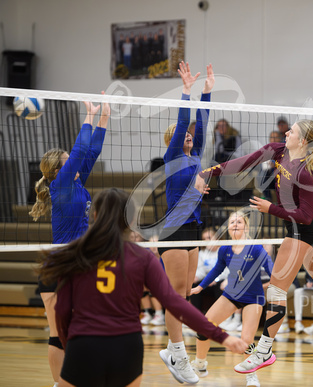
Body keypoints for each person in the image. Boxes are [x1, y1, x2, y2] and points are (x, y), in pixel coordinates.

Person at [199, 119, 313, 375]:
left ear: (303, 140)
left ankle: (263, 351)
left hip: (302, 229)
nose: (286, 132)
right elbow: (244, 162)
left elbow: (306, 215)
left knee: (276, 290)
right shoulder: (278, 150)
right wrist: (209, 171)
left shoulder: (305, 172)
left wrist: (270, 209)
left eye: (292, 131)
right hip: (301, 228)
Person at [37, 188, 247, 387]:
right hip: (126, 346)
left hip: (84, 343)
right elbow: (176, 303)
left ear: (94, 215)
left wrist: (72, 344)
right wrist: (221, 336)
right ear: (130, 219)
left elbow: (62, 312)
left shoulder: (74, 254)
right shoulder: (142, 258)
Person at [29, 97, 110, 387]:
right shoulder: (61, 186)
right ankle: (58, 383)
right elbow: (78, 152)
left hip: (78, 262)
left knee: (81, 327)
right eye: (68, 164)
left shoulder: (75, 182)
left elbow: (91, 151)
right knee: (57, 332)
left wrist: (103, 120)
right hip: (59, 265)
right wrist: (88, 116)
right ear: (58, 171)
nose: (77, 164)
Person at [157, 61, 214, 384]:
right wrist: (187, 91)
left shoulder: (194, 159)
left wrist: (206, 93)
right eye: (184, 136)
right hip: (174, 229)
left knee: (186, 294)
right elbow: (183, 124)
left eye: (191, 136)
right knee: (176, 296)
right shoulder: (173, 159)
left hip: (192, 227)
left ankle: (170, 349)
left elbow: (200, 124)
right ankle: (179, 356)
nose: (189, 137)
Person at [190, 210, 273, 387]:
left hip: (253, 298)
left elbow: (271, 268)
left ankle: (251, 375)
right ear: (228, 227)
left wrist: (276, 282)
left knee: (246, 339)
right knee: (204, 326)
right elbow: (216, 270)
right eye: (232, 222)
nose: (235, 224)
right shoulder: (225, 249)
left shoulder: (256, 248)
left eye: (239, 222)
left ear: (246, 227)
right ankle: (200, 363)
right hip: (231, 295)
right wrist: (200, 286)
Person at [190, 228, 226, 314]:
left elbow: (227, 270)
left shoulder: (223, 250)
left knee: (221, 286)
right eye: (204, 239)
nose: (207, 241)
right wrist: (197, 276)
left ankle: (222, 316)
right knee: (194, 285)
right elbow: (201, 270)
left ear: (217, 238)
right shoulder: (202, 253)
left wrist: (215, 279)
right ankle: (196, 316)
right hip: (207, 280)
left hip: (219, 280)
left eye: (209, 238)